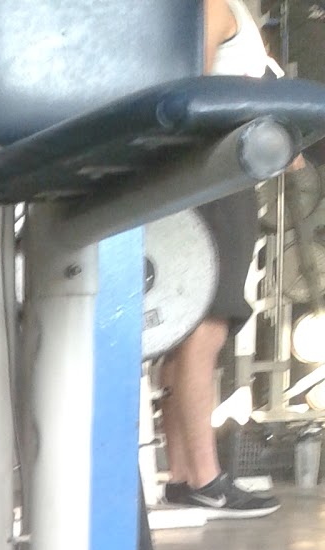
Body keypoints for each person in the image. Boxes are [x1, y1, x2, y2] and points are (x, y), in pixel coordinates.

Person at [161, 0, 280, 518]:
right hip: (215, 179)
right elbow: (195, 94)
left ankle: (184, 476)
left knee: (190, 331)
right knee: (204, 329)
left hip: (217, 176)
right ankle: (207, 478)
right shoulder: (213, 6)